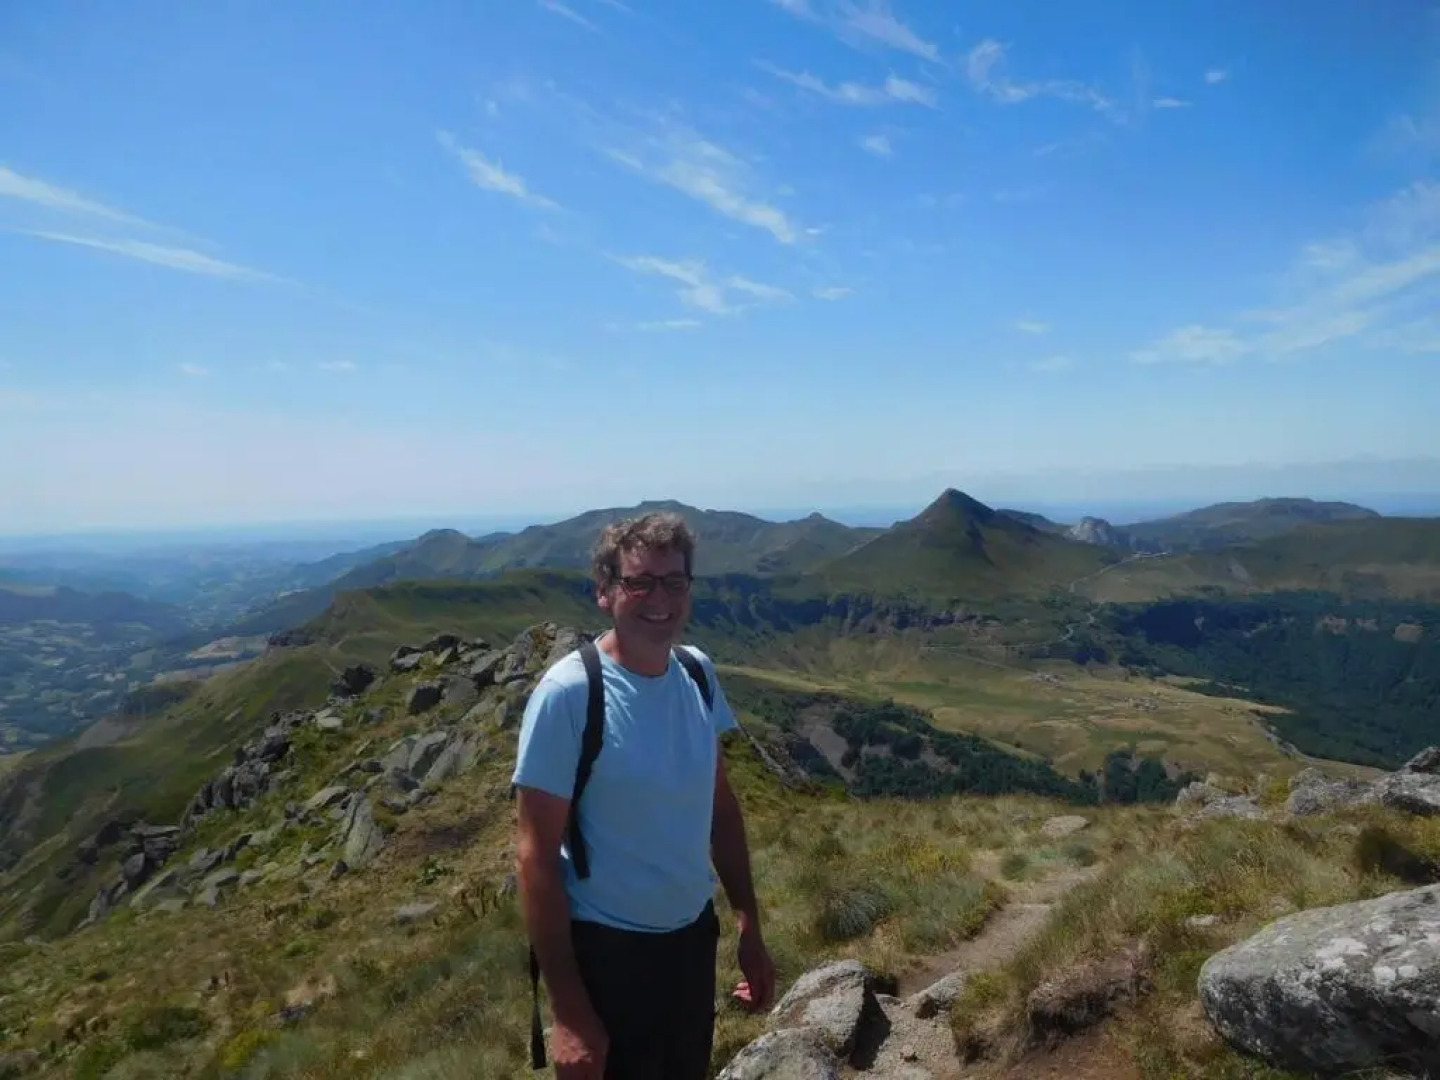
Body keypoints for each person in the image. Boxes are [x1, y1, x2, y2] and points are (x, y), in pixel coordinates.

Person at [512, 511, 776, 1079]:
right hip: (608, 957)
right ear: (606, 591)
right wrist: (570, 1012)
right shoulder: (570, 694)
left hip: (691, 942)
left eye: (674, 581)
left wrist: (747, 923)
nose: (661, 598)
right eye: (639, 582)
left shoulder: (698, 674)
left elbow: (720, 808)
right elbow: (535, 859)